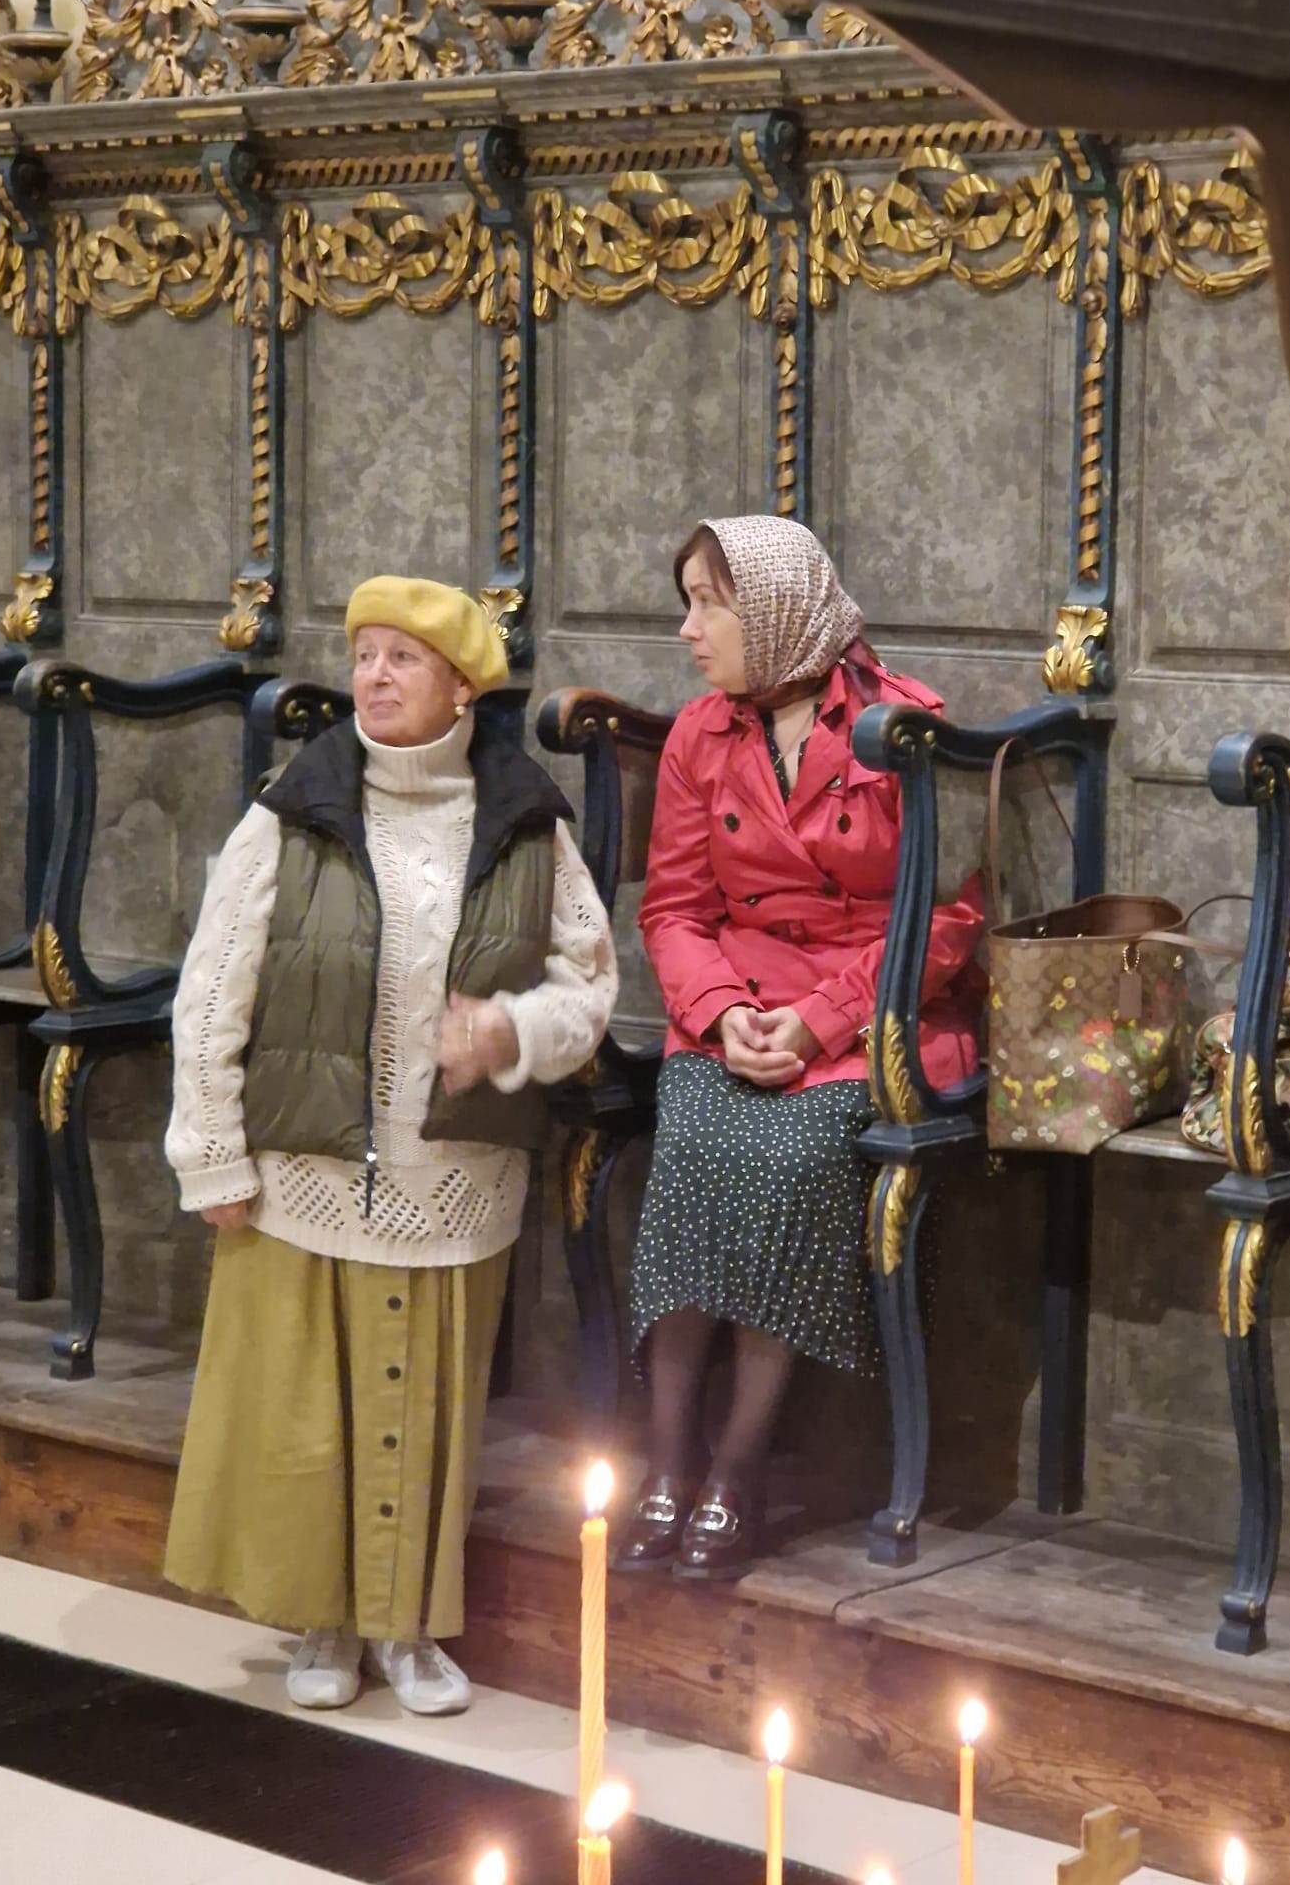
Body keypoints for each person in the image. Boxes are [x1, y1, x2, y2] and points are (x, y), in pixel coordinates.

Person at [163, 576, 617, 1713]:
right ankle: (323, 1624)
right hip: (304, 1171)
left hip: (452, 1175)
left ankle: (407, 1629)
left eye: (401, 658)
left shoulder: (528, 824)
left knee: (422, 1415)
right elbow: (212, 990)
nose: (372, 675)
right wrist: (211, 1151)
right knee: (308, 1415)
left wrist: (510, 1030)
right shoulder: (294, 809)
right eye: (363, 654)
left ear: (461, 686)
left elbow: (589, 989)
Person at [616, 516, 986, 1581]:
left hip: (865, 1017)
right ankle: (670, 1454)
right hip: (733, 1012)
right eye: (687, 603)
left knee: (789, 1160)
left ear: (776, 609)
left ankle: (737, 1467)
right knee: (691, 1148)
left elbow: (946, 923)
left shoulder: (902, 727)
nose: (689, 629)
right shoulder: (700, 735)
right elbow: (674, 909)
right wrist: (721, 1011)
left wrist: (822, 1019)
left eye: (709, 604)